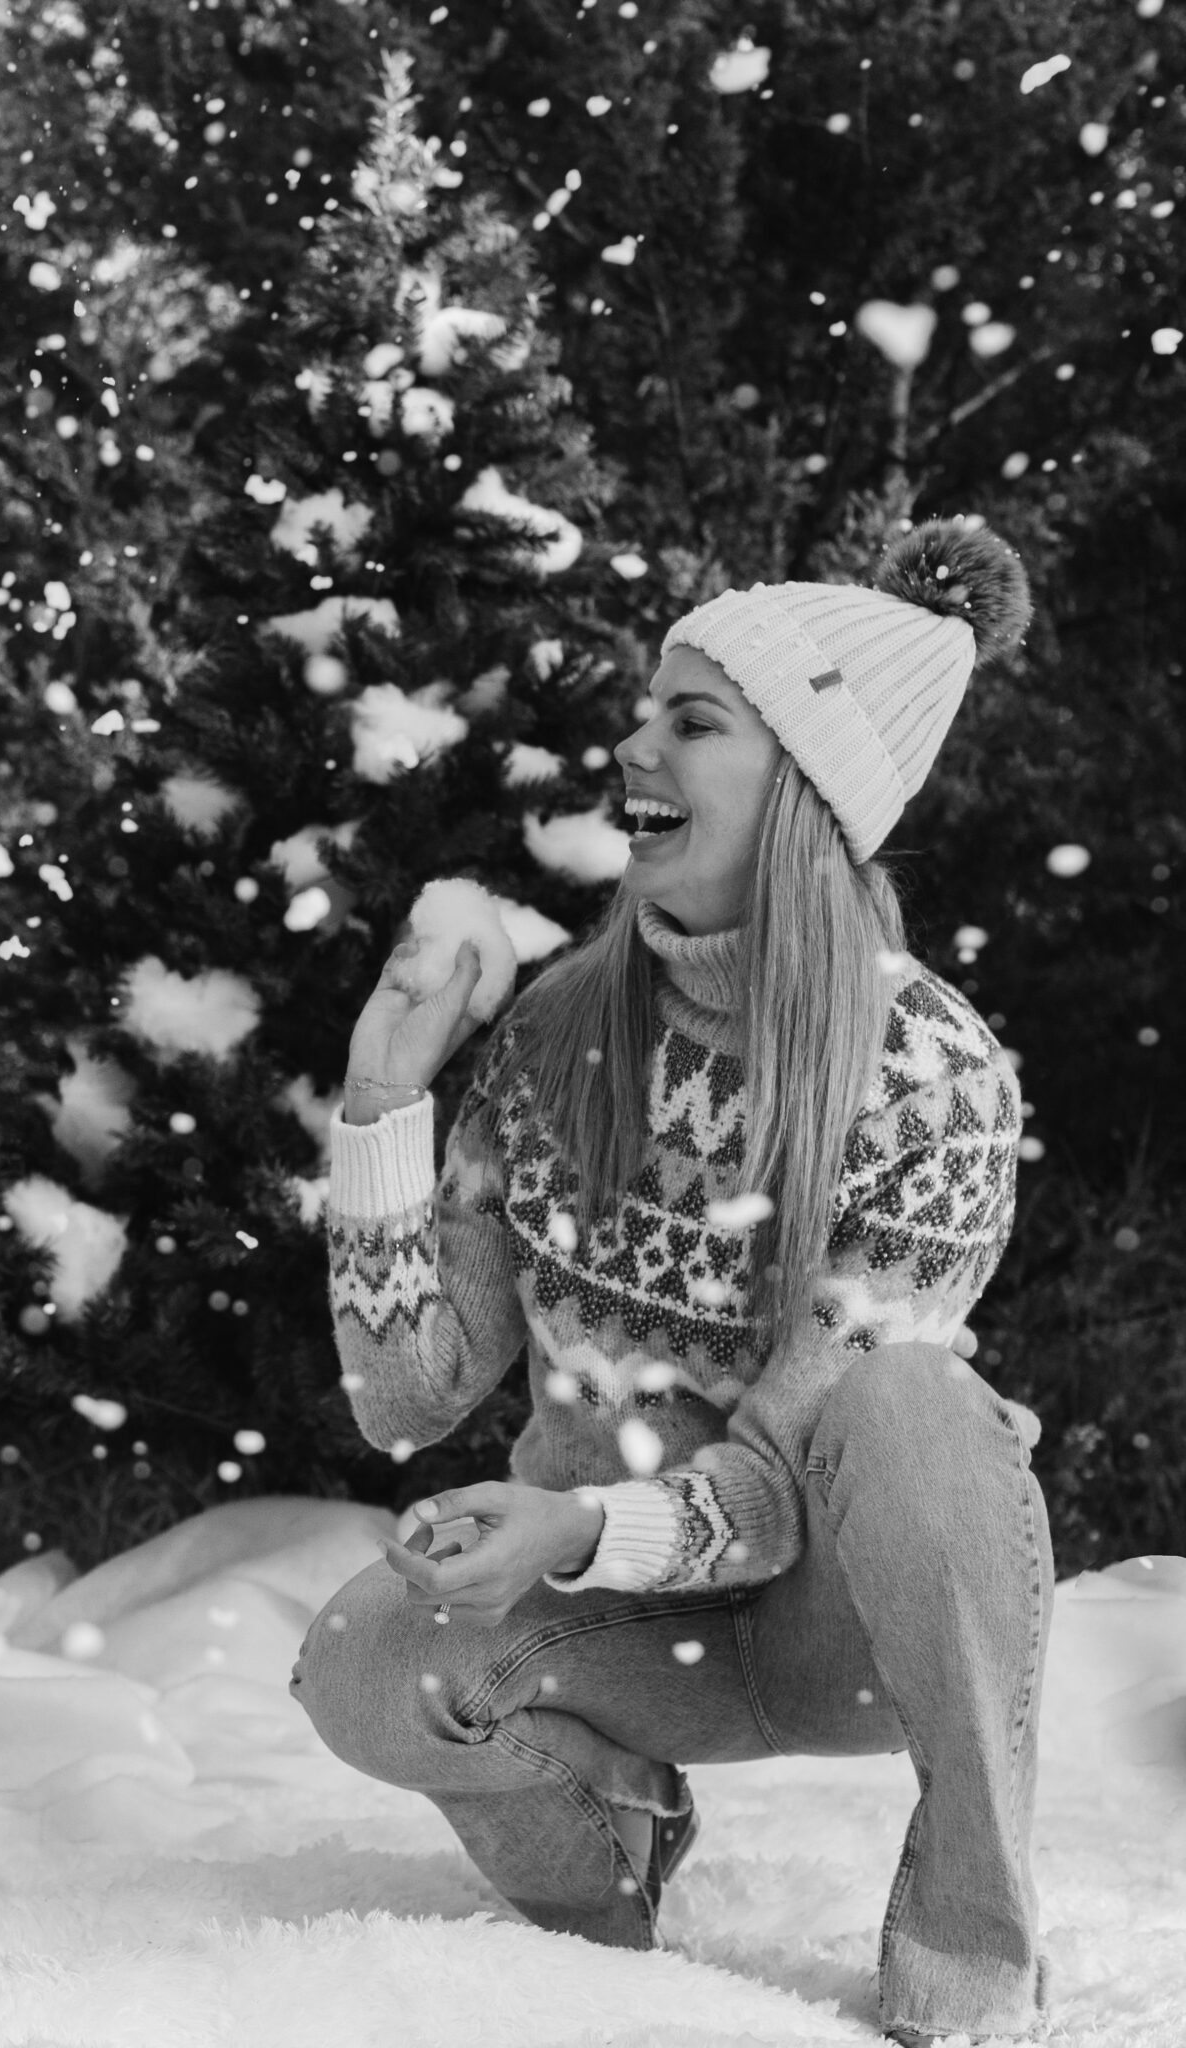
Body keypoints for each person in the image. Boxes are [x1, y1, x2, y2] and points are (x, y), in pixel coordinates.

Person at [292, 519, 1047, 2046]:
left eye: (692, 720)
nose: (633, 740)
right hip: (634, 1625)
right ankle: (607, 1873)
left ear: (805, 794)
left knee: (913, 1403)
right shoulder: (563, 1036)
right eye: (648, 704)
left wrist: (579, 1523)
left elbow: (778, 1484)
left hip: (847, 1630)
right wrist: (384, 1096)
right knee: (367, 1666)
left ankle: (967, 1962)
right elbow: (406, 1396)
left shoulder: (928, 1076)